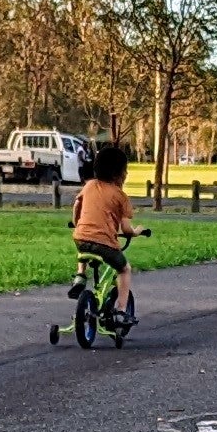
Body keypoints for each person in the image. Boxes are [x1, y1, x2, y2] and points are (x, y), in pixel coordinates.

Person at [66, 143, 139, 344]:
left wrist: (76, 221)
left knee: (83, 246)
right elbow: (125, 229)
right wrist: (137, 232)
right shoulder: (121, 197)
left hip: (81, 236)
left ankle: (80, 276)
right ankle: (122, 311)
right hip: (105, 243)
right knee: (124, 269)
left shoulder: (88, 186)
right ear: (120, 175)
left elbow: (77, 206)